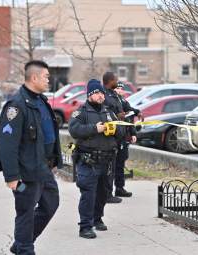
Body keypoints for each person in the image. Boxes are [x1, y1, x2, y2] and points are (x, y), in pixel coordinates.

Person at [0, 60, 62, 254]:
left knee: (51, 204)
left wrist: (54, 160)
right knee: (25, 211)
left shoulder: (41, 101)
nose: (49, 80)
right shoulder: (16, 105)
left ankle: (22, 242)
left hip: (43, 168)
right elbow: (7, 144)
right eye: (46, 76)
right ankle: (25, 249)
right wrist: (12, 176)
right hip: (25, 172)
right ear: (34, 77)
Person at [68, 79, 123, 239]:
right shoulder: (81, 112)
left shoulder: (108, 111)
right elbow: (74, 129)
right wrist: (95, 128)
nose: (101, 96)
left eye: (102, 93)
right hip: (89, 161)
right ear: (90, 95)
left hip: (107, 161)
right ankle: (85, 226)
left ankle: (97, 219)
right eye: (97, 93)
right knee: (88, 193)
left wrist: (115, 130)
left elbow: (121, 130)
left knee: (103, 193)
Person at [112, 81, 143, 197]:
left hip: (124, 137)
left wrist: (133, 133)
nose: (119, 90)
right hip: (115, 137)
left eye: (121, 88)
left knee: (121, 162)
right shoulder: (111, 101)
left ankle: (119, 188)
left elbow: (129, 116)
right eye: (117, 88)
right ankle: (108, 190)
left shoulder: (123, 101)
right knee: (113, 164)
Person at [102, 72, 124, 203]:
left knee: (114, 166)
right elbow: (108, 115)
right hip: (110, 138)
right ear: (110, 81)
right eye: (116, 78)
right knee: (109, 168)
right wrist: (118, 116)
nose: (117, 80)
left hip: (117, 138)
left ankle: (109, 192)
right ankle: (107, 194)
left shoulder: (113, 94)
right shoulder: (106, 96)